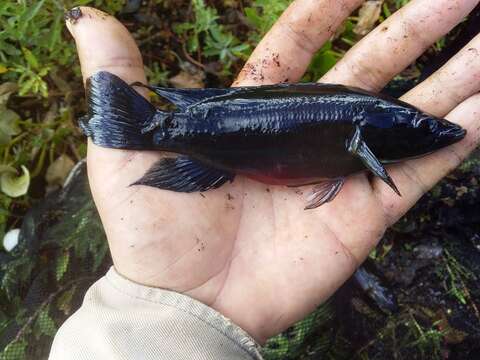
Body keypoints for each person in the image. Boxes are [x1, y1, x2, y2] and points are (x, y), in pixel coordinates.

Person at [50, 1, 480, 359]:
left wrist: (165, 322)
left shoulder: (368, 127)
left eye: (422, 126)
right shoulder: (365, 133)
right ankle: (138, 128)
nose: (434, 130)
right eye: (420, 126)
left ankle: (141, 126)